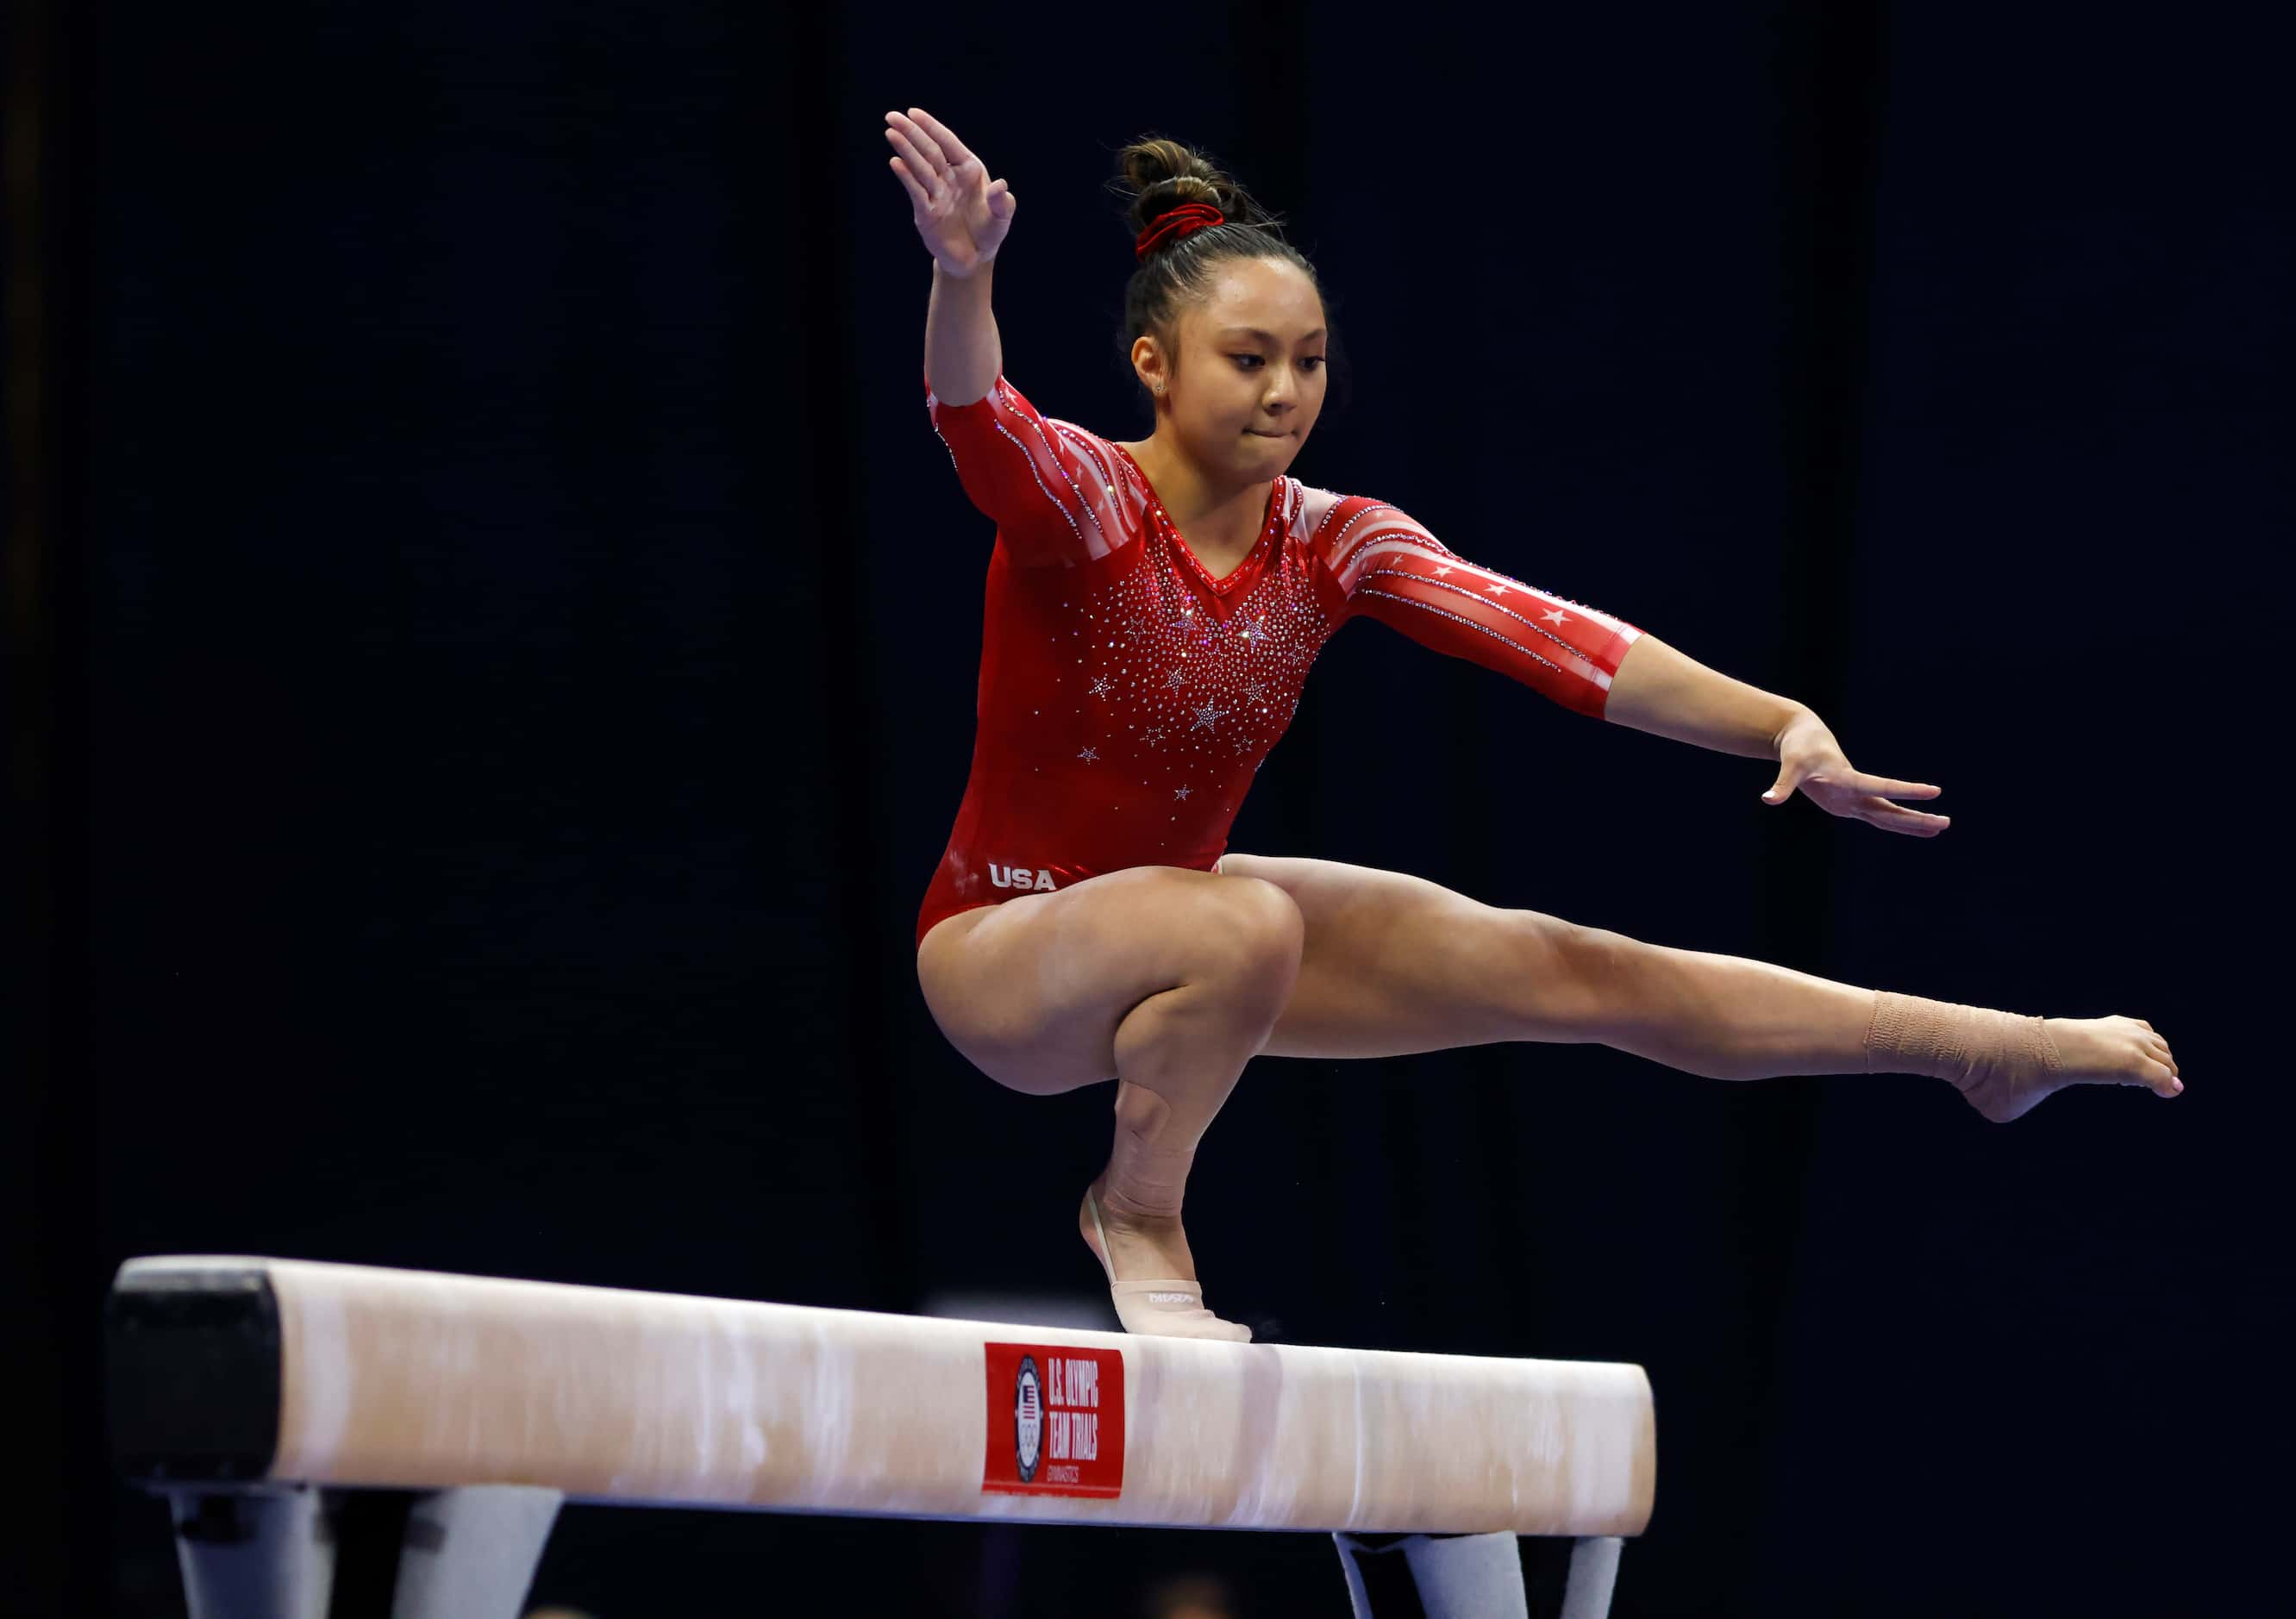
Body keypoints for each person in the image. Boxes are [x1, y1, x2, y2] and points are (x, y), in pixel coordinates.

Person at [884, 107, 2181, 1342]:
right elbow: (977, 418)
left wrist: (1780, 719)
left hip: (1194, 931)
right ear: (1153, 366)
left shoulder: (1335, 542)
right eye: (1248, 359)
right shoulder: (1091, 504)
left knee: (1572, 964)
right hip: (1006, 953)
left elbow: (1564, 644)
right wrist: (962, 279)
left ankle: (1975, 1052)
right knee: (1242, 917)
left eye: (1310, 359)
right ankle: (1139, 1208)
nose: (1285, 391)